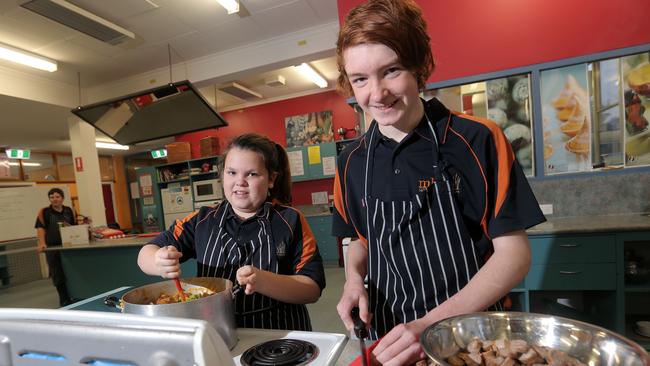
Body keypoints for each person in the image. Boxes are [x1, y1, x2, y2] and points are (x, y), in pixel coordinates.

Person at [331, 0, 546, 364]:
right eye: (360, 79)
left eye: (392, 70)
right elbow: (361, 242)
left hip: (474, 341)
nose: (377, 93)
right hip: (393, 340)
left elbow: (514, 256)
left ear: (420, 66)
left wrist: (430, 325)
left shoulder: (477, 139)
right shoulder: (351, 161)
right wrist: (353, 280)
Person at [138, 133, 325, 330]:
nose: (240, 182)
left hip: (281, 334)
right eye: (231, 172)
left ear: (271, 179)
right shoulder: (201, 220)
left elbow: (311, 289)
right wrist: (158, 261)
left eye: (252, 174)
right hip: (217, 331)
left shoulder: (290, 221)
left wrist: (263, 281)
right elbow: (146, 253)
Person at [35, 187, 76, 307]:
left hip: (69, 247)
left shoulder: (69, 211)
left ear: (62, 198)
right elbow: (40, 228)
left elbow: (74, 228)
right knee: (57, 274)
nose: (55, 199)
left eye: (57, 197)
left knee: (71, 272)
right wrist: (42, 243)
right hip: (52, 248)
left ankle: (74, 296)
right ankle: (64, 299)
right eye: (52, 197)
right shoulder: (44, 212)